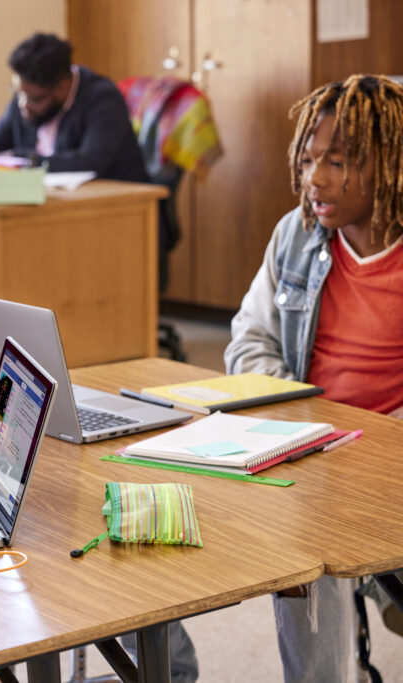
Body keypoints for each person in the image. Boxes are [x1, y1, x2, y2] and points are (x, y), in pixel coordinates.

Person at [225, 74, 403, 681]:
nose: (316, 179)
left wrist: (370, 439)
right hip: (313, 446)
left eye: (340, 161)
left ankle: (379, 571)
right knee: (305, 538)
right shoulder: (295, 235)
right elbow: (249, 342)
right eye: (308, 160)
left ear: (390, 162)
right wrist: (307, 420)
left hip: (394, 451)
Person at [0, 32, 148, 183]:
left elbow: (90, 161)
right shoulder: (27, 95)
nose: (23, 105)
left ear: (63, 86)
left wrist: (23, 161)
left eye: (34, 99)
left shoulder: (103, 98)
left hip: (118, 207)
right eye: (18, 94)